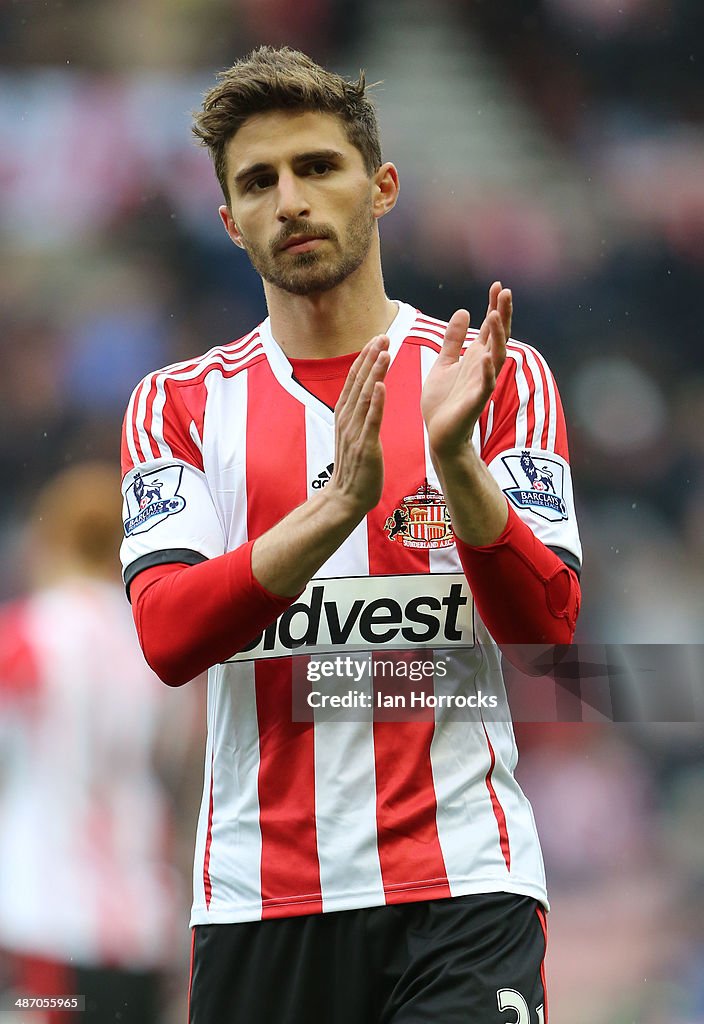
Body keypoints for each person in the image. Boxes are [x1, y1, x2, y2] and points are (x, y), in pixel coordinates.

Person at [120, 46, 582, 1024]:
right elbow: (167, 636)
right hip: (258, 900)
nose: (289, 199)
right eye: (258, 181)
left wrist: (455, 465)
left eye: (316, 168)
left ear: (380, 188)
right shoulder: (177, 406)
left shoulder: (494, 377)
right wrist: (334, 506)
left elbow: (545, 626)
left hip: (461, 882)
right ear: (227, 220)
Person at [0, 462, 200, 1024]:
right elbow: (174, 758)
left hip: (44, 899)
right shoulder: (150, 641)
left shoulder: (26, 635)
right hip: (138, 907)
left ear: (48, 540)